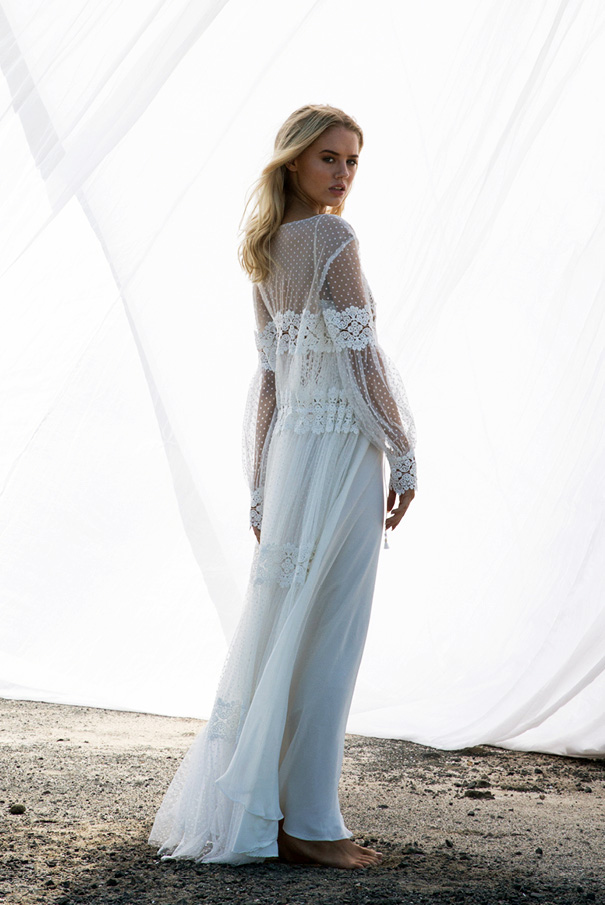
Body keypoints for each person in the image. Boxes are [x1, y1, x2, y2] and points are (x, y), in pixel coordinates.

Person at [148, 104, 417, 870]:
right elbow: (361, 360)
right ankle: (311, 822)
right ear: (294, 160)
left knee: (285, 631)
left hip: (296, 451)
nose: (343, 174)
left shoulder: (266, 248)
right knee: (330, 635)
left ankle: (284, 811)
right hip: (340, 450)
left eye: (352, 161)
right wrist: (402, 451)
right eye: (329, 157)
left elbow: (270, 382)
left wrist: (263, 484)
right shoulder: (331, 240)